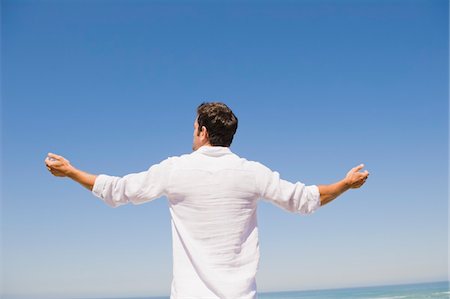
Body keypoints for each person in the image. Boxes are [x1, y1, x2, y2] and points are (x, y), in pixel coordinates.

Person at [45, 102, 369, 299]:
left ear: (201, 131)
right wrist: (345, 184)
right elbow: (304, 199)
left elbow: (118, 190)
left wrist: (72, 172)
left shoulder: (176, 169)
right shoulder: (251, 173)